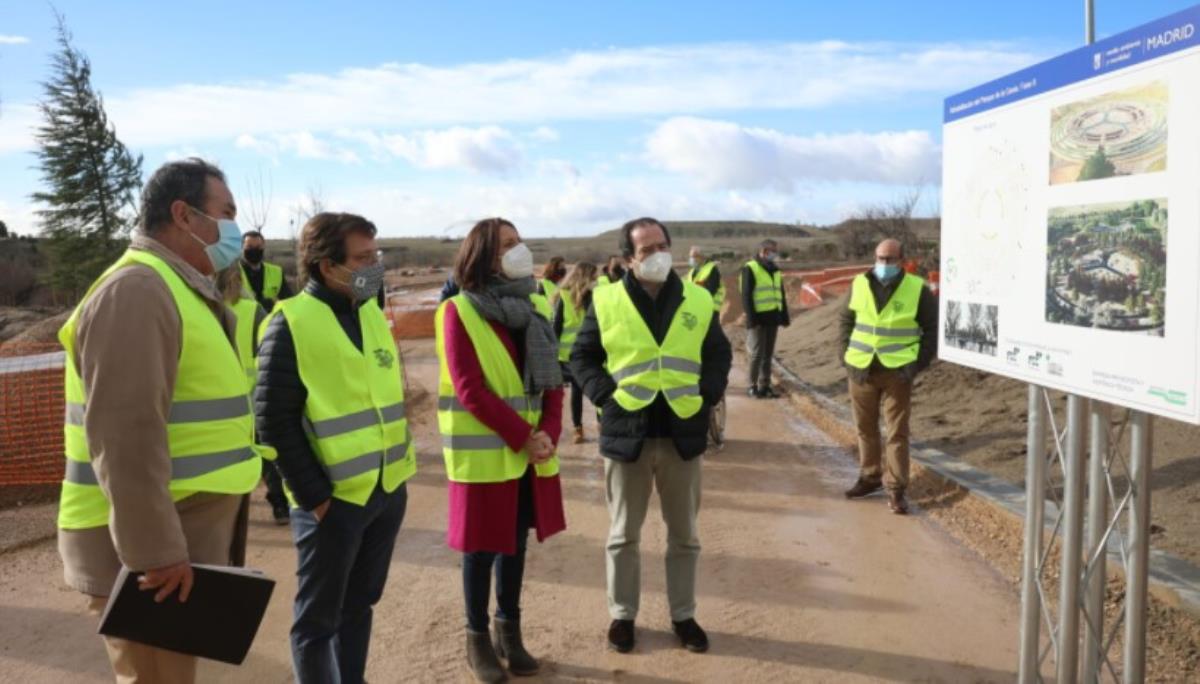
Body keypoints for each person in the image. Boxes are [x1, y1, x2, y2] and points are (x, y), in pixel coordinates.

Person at [56, 158, 261, 683]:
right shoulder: (138, 290)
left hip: (173, 541)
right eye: (226, 213)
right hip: (147, 559)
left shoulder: (176, 287)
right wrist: (155, 553)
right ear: (184, 215)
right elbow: (125, 437)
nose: (234, 228)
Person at [255, 212, 416, 683]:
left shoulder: (369, 313)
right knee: (317, 622)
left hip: (385, 492)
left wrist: (394, 486)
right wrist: (317, 499)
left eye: (376, 255)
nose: (375, 266)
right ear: (328, 266)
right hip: (332, 503)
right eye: (364, 258)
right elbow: (273, 421)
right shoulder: (289, 323)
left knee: (359, 605)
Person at [571, 217, 731, 655]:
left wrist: (708, 393)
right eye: (646, 250)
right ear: (628, 259)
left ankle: (684, 616)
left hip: (682, 433)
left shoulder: (697, 298)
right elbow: (582, 356)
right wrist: (606, 397)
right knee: (623, 535)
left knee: (685, 536)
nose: (658, 255)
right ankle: (622, 616)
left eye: (662, 246)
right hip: (628, 435)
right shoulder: (606, 299)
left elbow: (718, 353)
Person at [435, 217, 567, 682]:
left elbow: (553, 380)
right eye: (507, 244)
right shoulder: (458, 310)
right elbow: (470, 388)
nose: (519, 250)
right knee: (481, 549)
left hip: (530, 453)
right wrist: (523, 437)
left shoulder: (536, 303)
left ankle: (509, 631)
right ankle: (477, 639)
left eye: (519, 241)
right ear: (484, 256)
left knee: (515, 543)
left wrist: (549, 431)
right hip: (487, 455)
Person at [840, 238, 937, 515]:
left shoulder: (917, 288)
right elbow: (846, 321)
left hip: (897, 372)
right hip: (861, 369)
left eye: (890, 259)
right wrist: (845, 357)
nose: (884, 264)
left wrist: (914, 366)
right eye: (880, 258)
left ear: (901, 260)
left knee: (896, 432)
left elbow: (931, 330)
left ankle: (896, 488)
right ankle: (870, 476)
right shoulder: (859, 284)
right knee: (865, 428)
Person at [216, 265, 291, 525]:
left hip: (217, 400)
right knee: (267, 453)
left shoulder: (202, 310)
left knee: (228, 458)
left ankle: (229, 509)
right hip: (253, 395)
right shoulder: (253, 311)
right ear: (238, 280)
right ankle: (280, 504)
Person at [552, 261, 599, 444]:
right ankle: (586, 426)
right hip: (579, 354)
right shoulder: (586, 296)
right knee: (585, 389)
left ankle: (580, 428)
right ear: (586, 277)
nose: (596, 279)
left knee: (581, 391)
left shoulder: (569, 295)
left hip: (576, 353)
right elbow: (557, 326)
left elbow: (556, 327)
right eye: (593, 276)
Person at [740, 239, 789, 398]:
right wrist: (751, 319)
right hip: (758, 318)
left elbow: (780, 294)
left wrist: (784, 316)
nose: (774, 254)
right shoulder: (750, 268)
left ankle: (765, 386)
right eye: (772, 251)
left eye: (775, 251)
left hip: (773, 317)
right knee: (757, 354)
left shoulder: (775, 270)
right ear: (764, 251)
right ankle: (752, 385)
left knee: (768, 355)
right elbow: (746, 296)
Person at [240, 230, 294, 311]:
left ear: (263, 247)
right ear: (242, 248)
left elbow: (288, 300)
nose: (254, 250)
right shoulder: (232, 273)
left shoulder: (276, 272)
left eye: (258, 247)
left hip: (271, 318)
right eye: (249, 247)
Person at [686, 246, 724, 313]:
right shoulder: (692, 272)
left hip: (711, 308)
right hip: (697, 307)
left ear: (702, 257)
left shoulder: (711, 269)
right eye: (690, 257)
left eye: (694, 257)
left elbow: (711, 289)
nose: (691, 259)